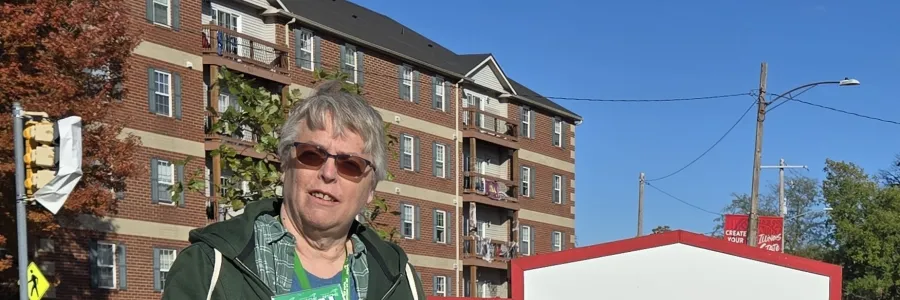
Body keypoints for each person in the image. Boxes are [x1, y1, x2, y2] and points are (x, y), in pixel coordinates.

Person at [162, 80, 427, 300]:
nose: (328, 173)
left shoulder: (399, 277)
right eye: (312, 154)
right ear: (285, 163)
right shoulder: (209, 266)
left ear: (371, 188)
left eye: (351, 164)